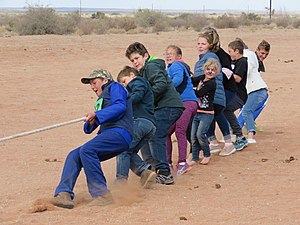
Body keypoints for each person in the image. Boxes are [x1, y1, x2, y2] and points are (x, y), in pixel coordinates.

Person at [53, 69, 133, 209]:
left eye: (94, 82)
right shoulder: (101, 100)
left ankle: (102, 195)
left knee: (87, 150)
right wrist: (91, 122)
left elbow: (120, 106)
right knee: (74, 155)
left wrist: (97, 115)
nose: (92, 87)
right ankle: (64, 193)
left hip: (120, 132)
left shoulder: (116, 87)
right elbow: (93, 125)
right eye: (90, 84)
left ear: (105, 80)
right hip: (108, 135)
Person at [125, 42, 184, 185]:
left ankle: (164, 173)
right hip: (165, 106)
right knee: (149, 134)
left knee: (156, 135)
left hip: (168, 105)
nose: (135, 62)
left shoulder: (151, 67)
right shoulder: (146, 70)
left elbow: (161, 84)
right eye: (132, 60)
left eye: (137, 58)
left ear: (145, 55)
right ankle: (151, 168)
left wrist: (147, 98)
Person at [115, 66, 157, 187]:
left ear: (132, 75)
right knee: (130, 151)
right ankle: (145, 172)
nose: (124, 85)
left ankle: (121, 181)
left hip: (140, 122)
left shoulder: (137, 81)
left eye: (124, 81)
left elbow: (137, 95)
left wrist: (123, 102)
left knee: (122, 148)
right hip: (149, 125)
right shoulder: (138, 85)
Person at [198, 27, 237, 156]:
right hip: (211, 91)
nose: (200, 46)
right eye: (198, 43)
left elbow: (221, 73)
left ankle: (228, 142)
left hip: (220, 91)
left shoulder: (216, 55)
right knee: (207, 113)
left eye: (203, 43)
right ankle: (213, 142)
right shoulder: (205, 56)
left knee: (217, 112)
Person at [164, 45, 198, 175]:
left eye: (171, 53)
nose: (168, 56)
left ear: (179, 56)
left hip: (187, 102)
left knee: (179, 131)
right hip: (182, 104)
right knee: (166, 132)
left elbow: (177, 80)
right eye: (166, 54)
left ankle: (183, 163)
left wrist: (164, 88)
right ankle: (168, 163)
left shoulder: (177, 65)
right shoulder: (171, 68)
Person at [236, 40, 269, 143]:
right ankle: (240, 130)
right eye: (262, 53)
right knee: (246, 110)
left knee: (246, 111)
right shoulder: (249, 56)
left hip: (254, 90)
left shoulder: (251, 58)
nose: (263, 56)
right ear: (257, 50)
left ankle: (244, 131)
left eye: (266, 54)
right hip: (251, 90)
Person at [189, 58, 218, 165]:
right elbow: (192, 80)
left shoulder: (212, 83)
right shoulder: (201, 78)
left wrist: (196, 88)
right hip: (197, 112)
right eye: (208, 69)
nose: (210, 72)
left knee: (200, 134)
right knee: (193, 137)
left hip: (207, 114)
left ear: (216, 72)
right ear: (204, 69)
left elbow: (198, 94)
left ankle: (207, 154)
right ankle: (195, 157)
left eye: (213, 70)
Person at [224, 39, 248, 151]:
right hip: (233, 93)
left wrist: (227, 73)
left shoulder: (242, 61)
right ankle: (231, 134)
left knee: (227, 110)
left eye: (230, 51)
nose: (229, 54)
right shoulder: (233, 62)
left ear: (237, 51)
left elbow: (238, 78)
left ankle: (240, 136)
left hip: (240, 94)